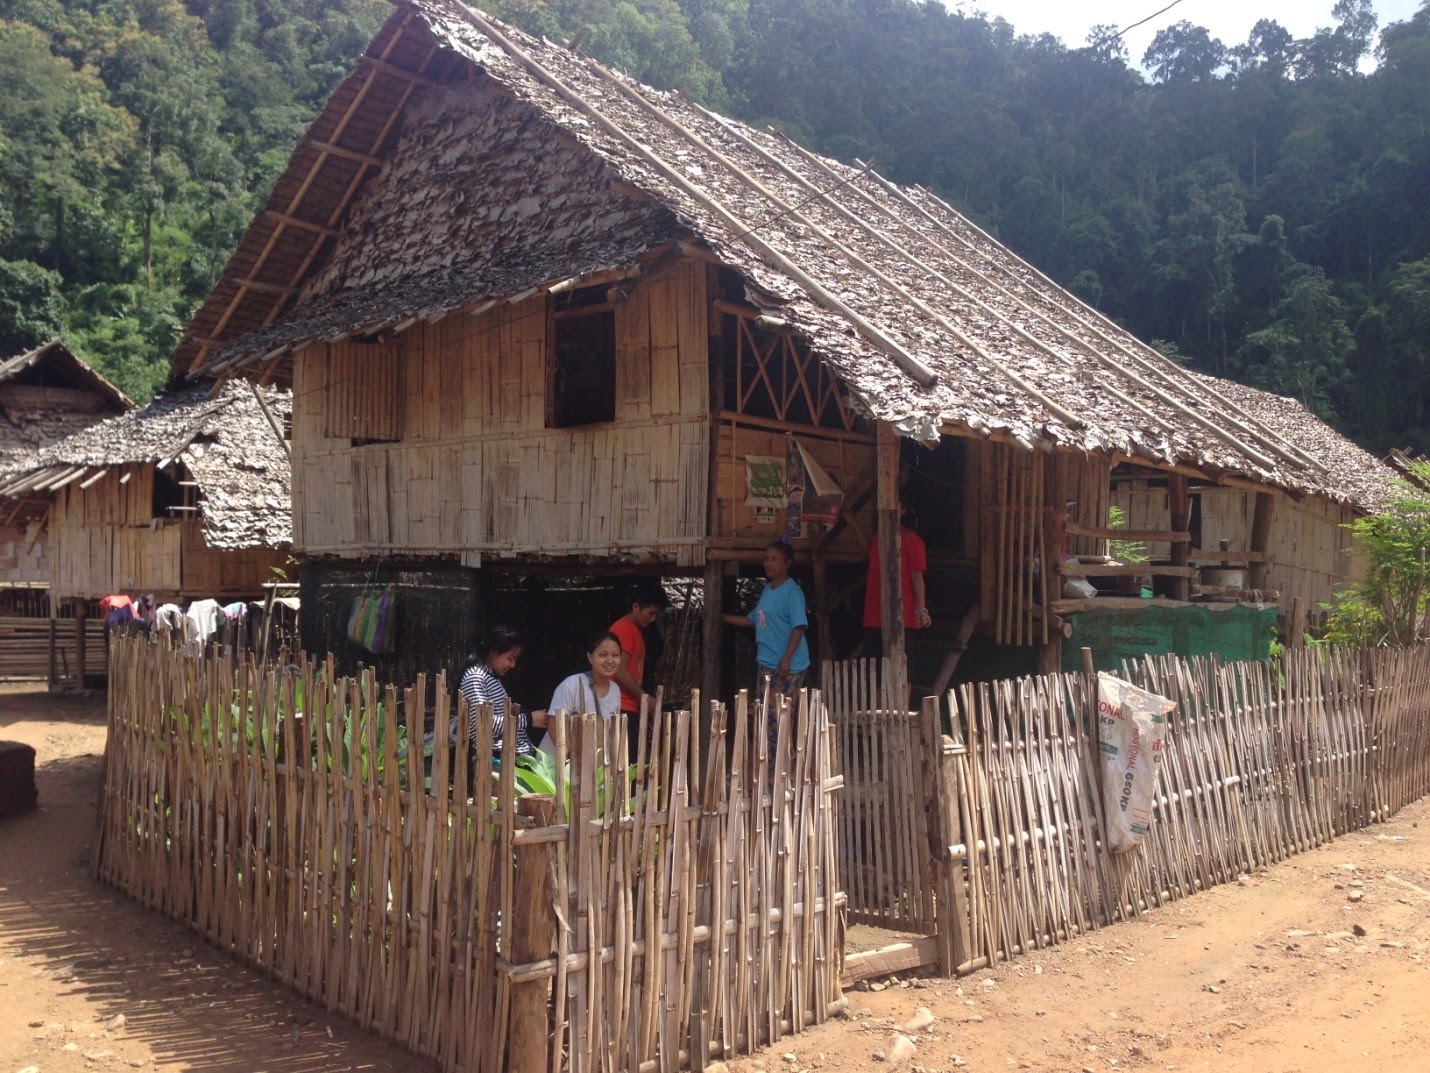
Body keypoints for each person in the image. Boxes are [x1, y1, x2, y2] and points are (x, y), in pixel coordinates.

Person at [724, 538, 811, 750]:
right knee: (767, 717)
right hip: (766, 664)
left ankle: (782, 770)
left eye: (774, 559)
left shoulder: (792, 591)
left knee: (779, 719)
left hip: (787, 667)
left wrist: (787, 659)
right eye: (766, 559)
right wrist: (722, 617)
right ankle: (772, 770)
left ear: (787, 563)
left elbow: (799, 626)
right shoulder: (767, 590)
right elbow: (752, 619)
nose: (768, 563)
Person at [457, 626, 548, 760]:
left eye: (515, 659)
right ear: (493, 652)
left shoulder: (490, 677)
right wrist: (528, 719)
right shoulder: (476, 677)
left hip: (509, 760)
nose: (513, 665)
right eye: (510, 658)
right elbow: (482, 725)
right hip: (496, 761)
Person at [541, 630, 624, 758]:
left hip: (590, 765)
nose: (610, 660)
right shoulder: (571, 684)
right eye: (603, 655)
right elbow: (554, 723)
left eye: (615, 655)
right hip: (557, 764)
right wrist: (568, 756)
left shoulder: (615, 691)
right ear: (590, 657)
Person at [863, 514, 931, 656]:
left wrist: (921, 609)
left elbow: (917, 577)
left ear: (903, 510)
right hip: (876, 614)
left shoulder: (911, 539)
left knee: (902, 669)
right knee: (876, 668)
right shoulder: (877, 537)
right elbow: (866, 553)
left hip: (903, 616)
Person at [609, 580, 669, 719]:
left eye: (656, 615)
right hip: (620, 706)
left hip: (627, 705)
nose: (653, 619)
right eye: (650, 613)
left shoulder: (635, 629)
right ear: (635, 607)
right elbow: (619, 671)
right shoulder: (624, 629)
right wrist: (645, 698)